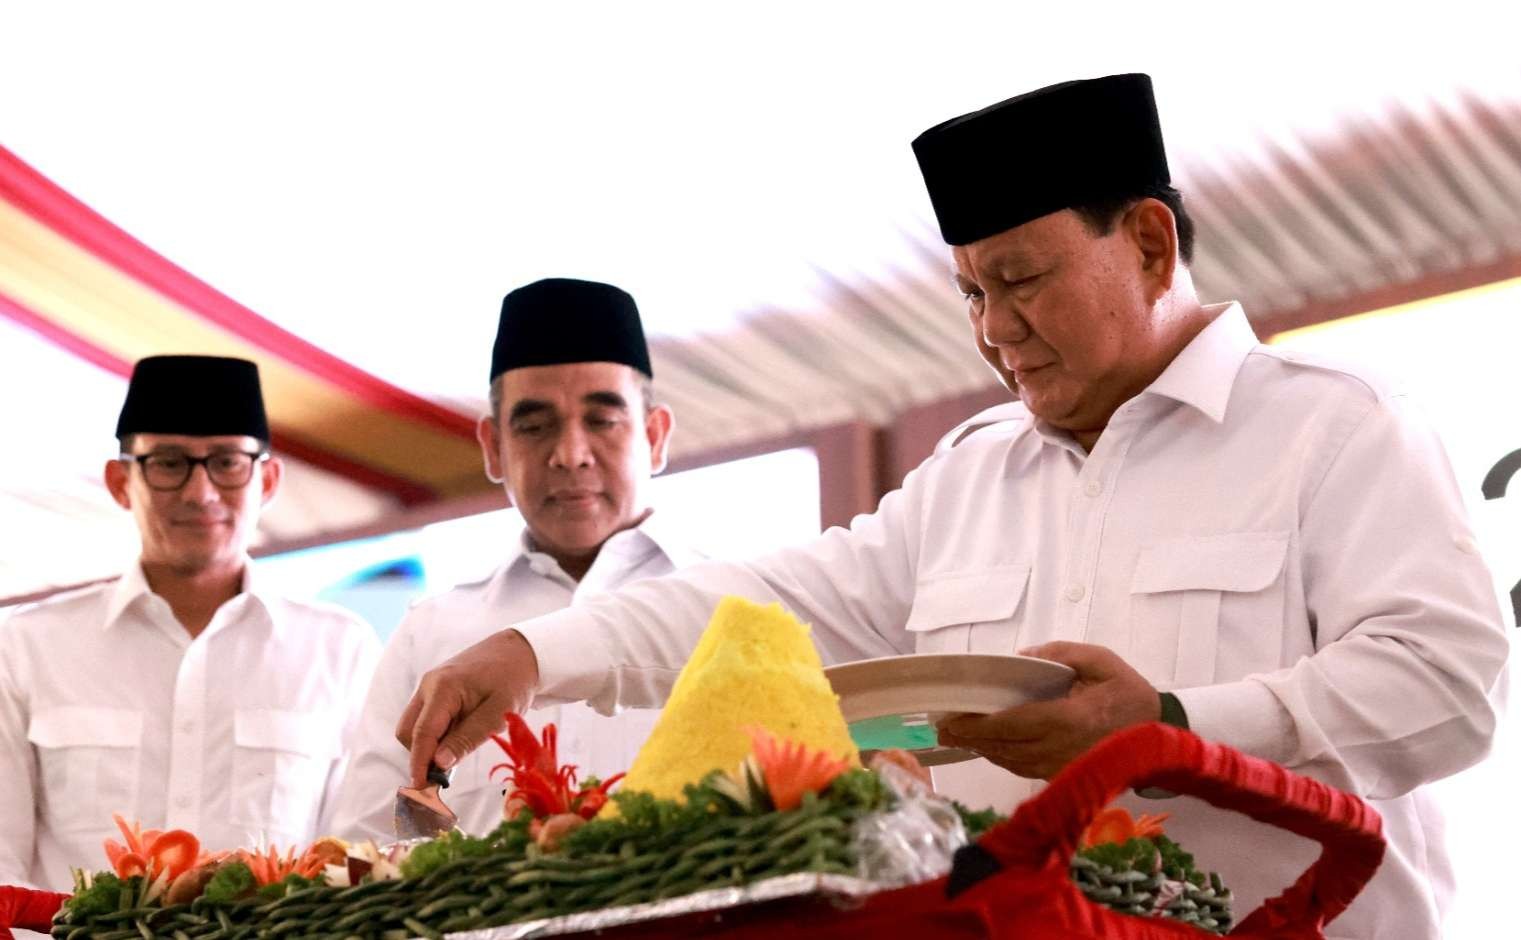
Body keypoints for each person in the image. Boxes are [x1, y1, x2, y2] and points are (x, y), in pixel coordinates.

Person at [392, 76, 1507, 938]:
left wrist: (1170, 723)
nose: (991, 328)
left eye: (1021, 279)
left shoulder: (1337, 427)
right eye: (971, 291)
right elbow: (765, 607)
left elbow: (1450, 684)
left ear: (1151, 242)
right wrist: (538, 654)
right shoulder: (972, 478)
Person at [332, 278, 702, 841]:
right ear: (493, 448)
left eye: (602, 420)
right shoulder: (430, 635)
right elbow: (373, 845)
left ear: (654, 436)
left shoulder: (723, 608)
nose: (570, 454)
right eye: (534, 426)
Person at [0, 355, 380, 896]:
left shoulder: (340, 650)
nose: (200, 493)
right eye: (169, 462)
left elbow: (357, 861)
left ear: (267, 479)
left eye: (228, 462)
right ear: (120, 481)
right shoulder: (29, 644)